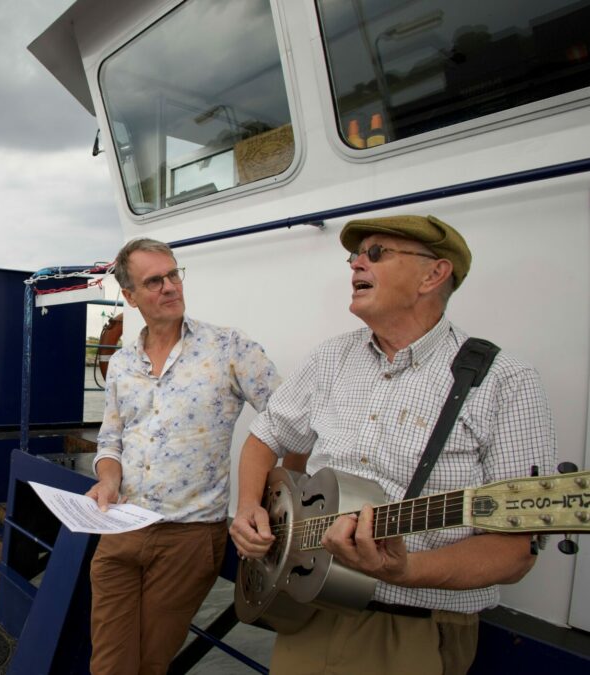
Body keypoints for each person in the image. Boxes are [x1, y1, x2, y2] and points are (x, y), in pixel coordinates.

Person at [229, 215, 557, 675]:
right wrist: (248, 507)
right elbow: (265, 437)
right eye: (355, 255)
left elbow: (515, 551)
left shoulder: (505, 382)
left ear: (433, 274)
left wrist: (404, 570)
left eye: (376, 253)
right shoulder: (331, 357)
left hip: (412, 629)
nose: (356, 264)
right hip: (309, 611)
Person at [86, 237, 280, 674]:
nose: (171, 287)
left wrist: (276, 497)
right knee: (108, 665)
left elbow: (289, 421)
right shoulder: (121, 363)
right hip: (120, 528)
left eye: (174, 274)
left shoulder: (229, 348)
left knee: (151, 664)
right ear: (131, 297)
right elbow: (111, 440)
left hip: (188, 538)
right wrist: (108, 478)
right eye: (154, 281)